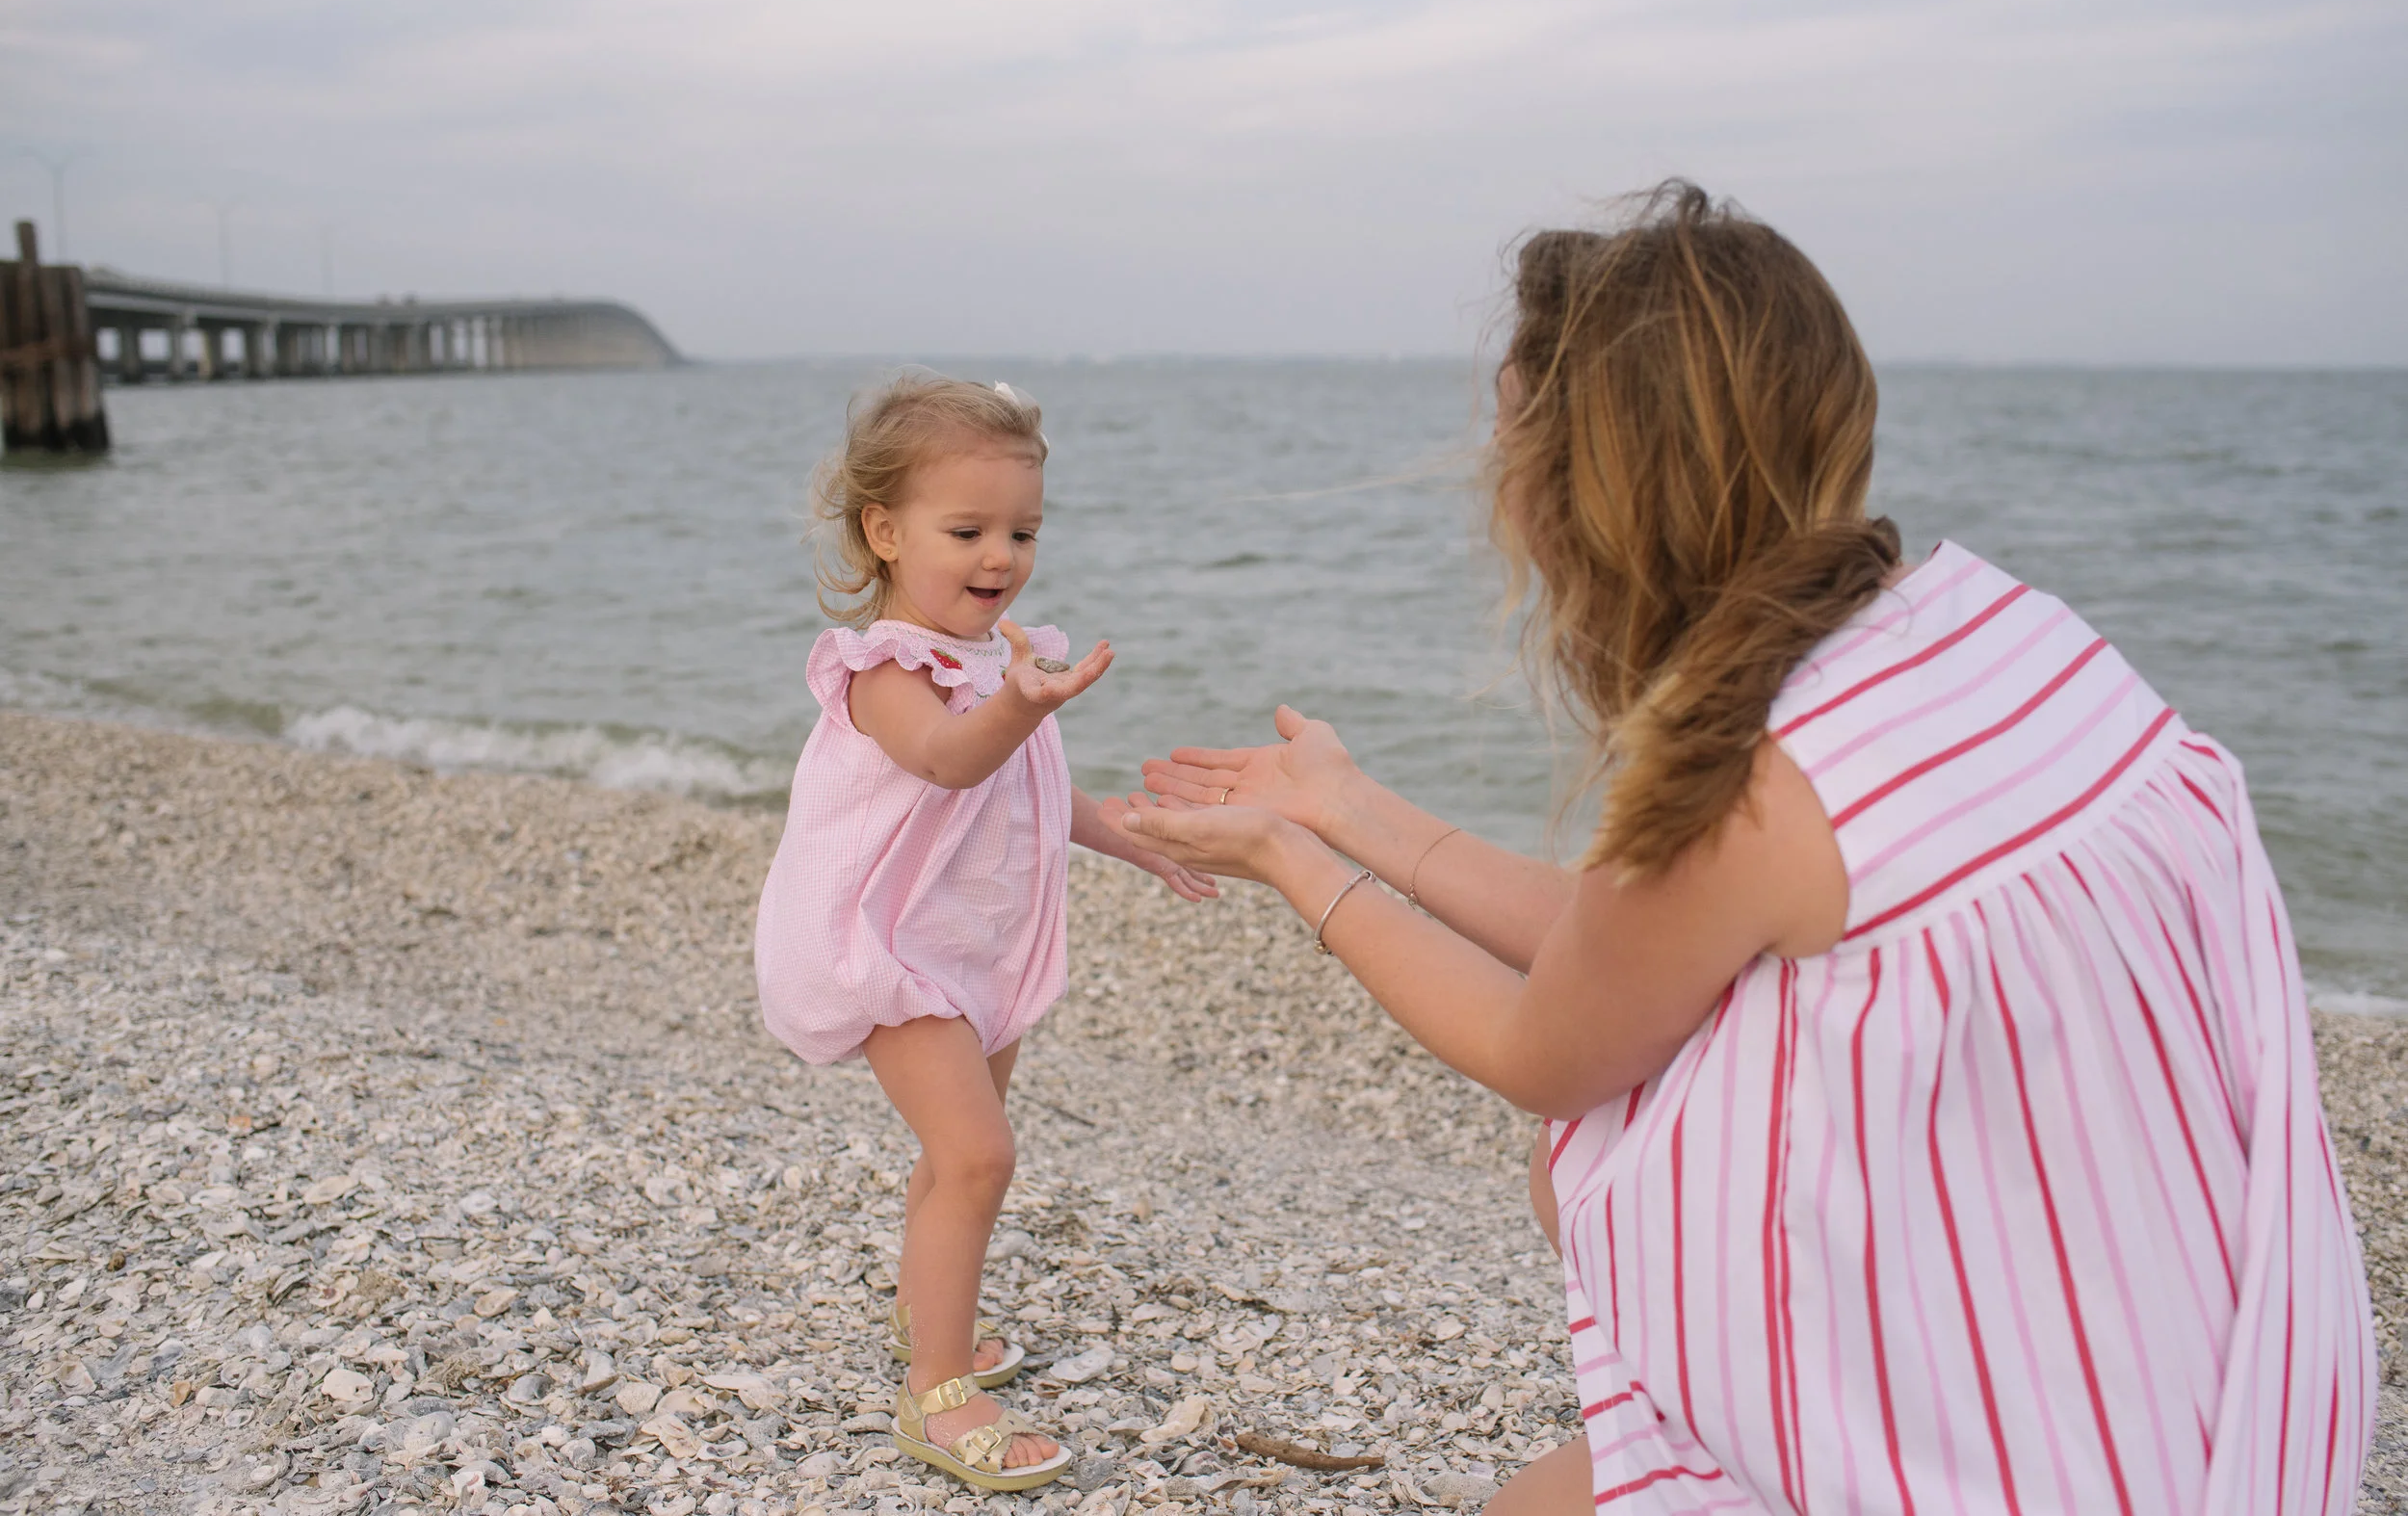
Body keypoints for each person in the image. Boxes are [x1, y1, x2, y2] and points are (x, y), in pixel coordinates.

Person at [1117, 184, 2373, 1513]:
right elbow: (1637, 950)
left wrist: (1296, 863)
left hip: (2021, 1458)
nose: (1498, 486)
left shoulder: (1749, 782)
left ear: (1591, 489)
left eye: (1512, 442)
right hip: (2195, 1372)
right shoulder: (1991, 629)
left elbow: (1551, 1044)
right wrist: (1350, 804)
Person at [753, 374, 1216, 1494]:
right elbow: (955, 758)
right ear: (884, 530)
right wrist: (1022, 702)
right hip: (891, 953)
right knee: (978, 1156)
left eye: (1022, 530)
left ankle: (928, 1320)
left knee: (952, 1154)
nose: (999, 554)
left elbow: (1029, 791)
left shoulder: (994, 658)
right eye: (966, 530)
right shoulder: (884, 672)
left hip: (974, 950)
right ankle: (939, 1395)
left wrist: (1136, 836)